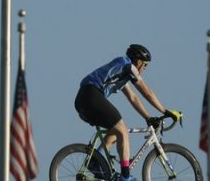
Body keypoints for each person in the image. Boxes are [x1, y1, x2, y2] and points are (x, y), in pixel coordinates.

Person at [74, 44, 182, 181]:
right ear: (138, 61)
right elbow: (146, 92)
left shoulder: (121, 70)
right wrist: (165, 111)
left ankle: (95, 162)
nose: (144, 69)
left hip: (83, 99)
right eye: (145, 65)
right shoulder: (128, 67)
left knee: (116, 131)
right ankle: (125, 176)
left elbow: (133, 98)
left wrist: (148, 117)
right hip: (91, 95)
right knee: (123, 131)